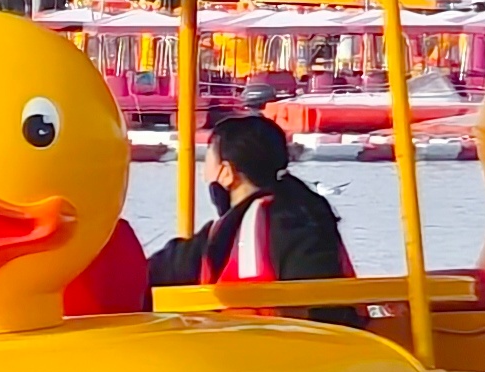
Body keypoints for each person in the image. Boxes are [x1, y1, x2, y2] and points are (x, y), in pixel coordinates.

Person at [148, 113, 361, 319]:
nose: (204, 175)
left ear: (227, 173)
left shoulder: (277, 224)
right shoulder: (311, 211)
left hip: (269, 347)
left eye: (207, 164)